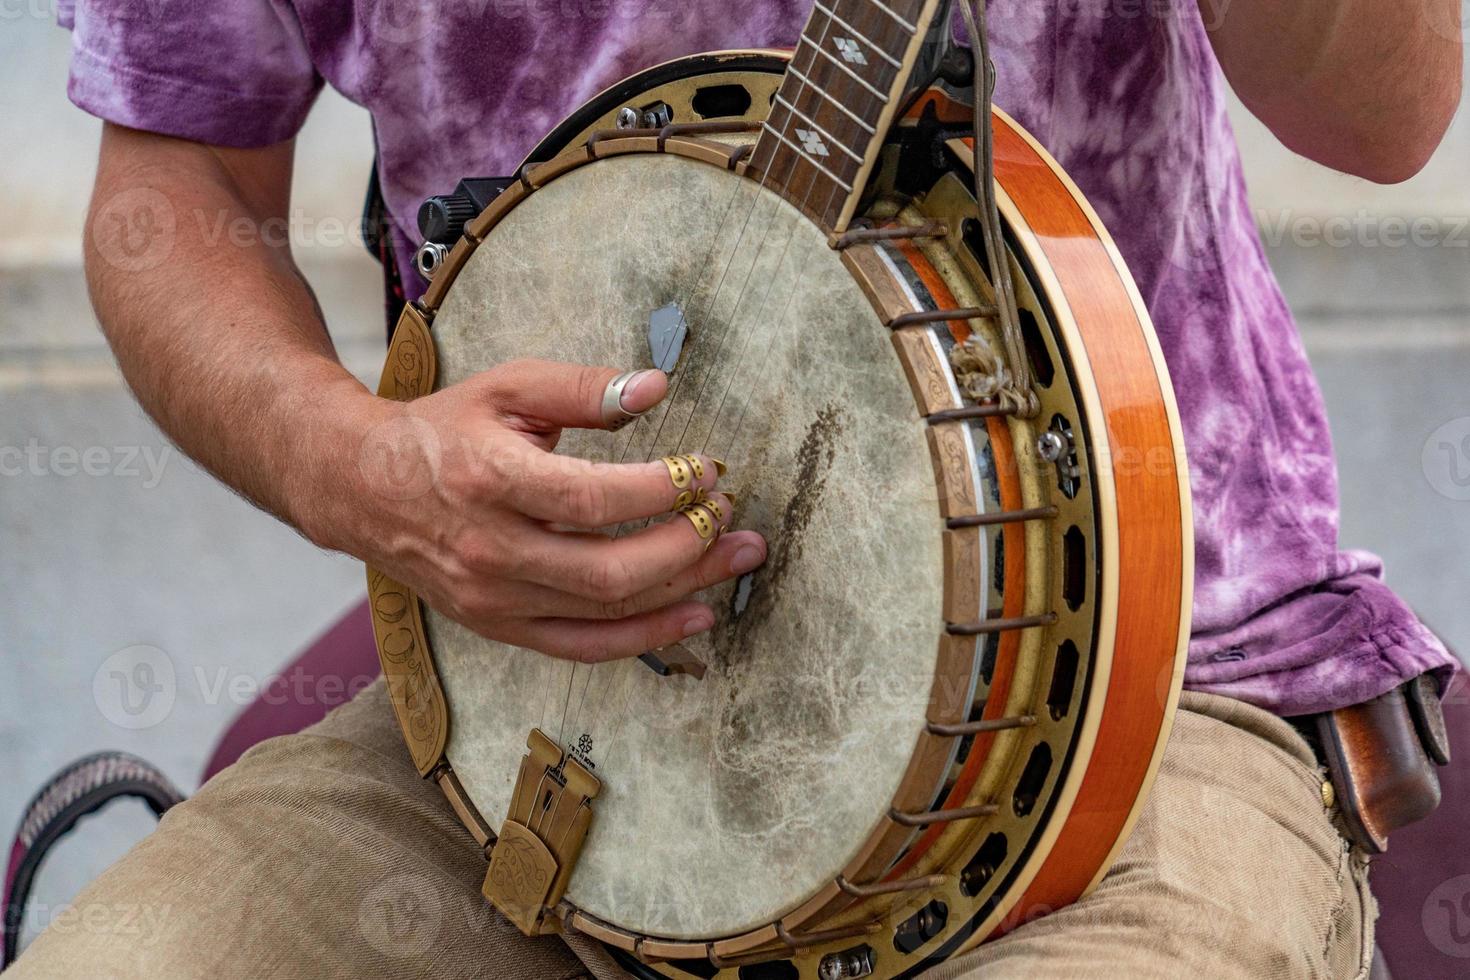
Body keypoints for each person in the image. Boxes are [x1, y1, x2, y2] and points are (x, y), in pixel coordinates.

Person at [13, 0, 1462, 976]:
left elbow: (1385, 120)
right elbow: (177, 184)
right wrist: (357, 465)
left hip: (1127, 705)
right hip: (545, 728)